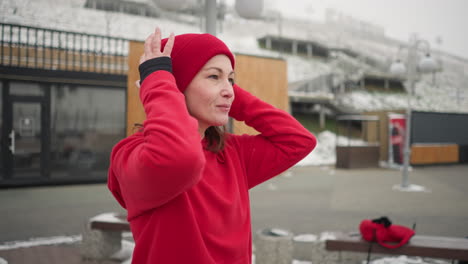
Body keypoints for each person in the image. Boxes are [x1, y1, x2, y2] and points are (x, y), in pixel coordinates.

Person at [108, 27, 317, 264]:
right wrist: (159, 83)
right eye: (213, 76)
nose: (229, 91)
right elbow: (180, 159)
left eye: (231, 79)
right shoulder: (132, 156)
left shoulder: (232, 153)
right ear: (174, 85)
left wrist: (223, 93)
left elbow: (298, 141)